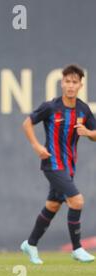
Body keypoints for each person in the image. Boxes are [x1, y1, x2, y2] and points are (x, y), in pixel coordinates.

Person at [21, 64, 96, 264]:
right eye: (67, 82)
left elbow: (95, 134)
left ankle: (30, 243)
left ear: (80, 85)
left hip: (69, 166)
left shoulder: (83, 109)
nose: (70, 86)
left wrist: (88, 133)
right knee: (77, 200)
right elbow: (27, 123)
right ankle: (77, 248)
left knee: (53, 205)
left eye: (74, 82)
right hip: (52, 164)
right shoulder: (51, 107)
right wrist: (37, 146)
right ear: (62, 83)